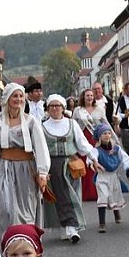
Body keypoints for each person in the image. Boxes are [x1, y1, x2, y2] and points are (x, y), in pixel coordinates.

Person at [0, 83, 51, 232]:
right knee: (7, 210)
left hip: (26, 169)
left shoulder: (31, 121)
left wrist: (42, 172)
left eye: (21, 96)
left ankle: (28, 245)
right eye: (15, 96)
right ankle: (10, 248)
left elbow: (41, 148)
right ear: (7, 99)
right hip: (5, 169)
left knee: (27, 209)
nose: (19, 99)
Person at [40, 94, 96, 243]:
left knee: (73, 195)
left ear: (63, 107)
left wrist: (93, 158)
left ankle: (69, 226)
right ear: (48, 108)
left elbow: (82, 143)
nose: (55, 109)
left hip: (72, 163)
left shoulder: (72, 124)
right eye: (52, 106)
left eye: (58, 106)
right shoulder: (42, 126)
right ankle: (71, 227)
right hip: (54, 165)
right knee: (63, 196)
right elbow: (38, 149)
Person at [92, 123, 129, 233]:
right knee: (103, 196)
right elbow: (91, 158)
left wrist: (128, 170)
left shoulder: (116, 149)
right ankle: (102, 223)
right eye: (104, 133)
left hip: (113, 176)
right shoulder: (97, 150)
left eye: (109, 133)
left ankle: (116, 212)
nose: (107, 135)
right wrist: (94, 163)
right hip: (102, 176)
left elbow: (125, 158)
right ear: (99, 136)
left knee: (115, 195)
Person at [72, 88, 107, 201]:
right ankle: (85, 193)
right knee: (85, 166)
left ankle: (98, 192)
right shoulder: (78, 110)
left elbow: (105, 124)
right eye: (87, 95)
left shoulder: (99, 110)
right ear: (83, 97)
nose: (90, 97)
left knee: (96, 164)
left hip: (95, 140)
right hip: (83, 139)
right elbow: (74, 126)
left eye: (91, 95)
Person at [116, 82, 129, 155]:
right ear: (125, 90)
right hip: (125, 127)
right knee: (127, 148)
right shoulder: (121, 100)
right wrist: (124, 115)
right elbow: (117, 113)